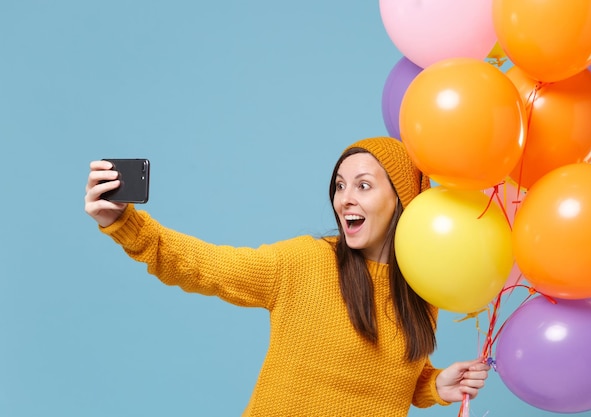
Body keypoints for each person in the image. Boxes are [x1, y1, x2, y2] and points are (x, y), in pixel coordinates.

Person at [84, 136, 490, 416]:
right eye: (340, 185)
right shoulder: (306, 262)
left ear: (402, 199)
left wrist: (435, 386)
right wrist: (125, 223)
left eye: (363, 186)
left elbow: (389, 381)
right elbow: (200, 265)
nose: (345, 197)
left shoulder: (422, 290)